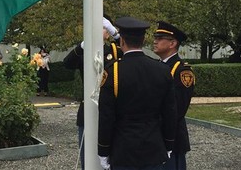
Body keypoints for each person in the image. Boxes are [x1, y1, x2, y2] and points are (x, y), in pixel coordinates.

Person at [98, 17, 177, 170]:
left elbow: (106, 116)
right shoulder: (162, 70)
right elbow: (170, 113)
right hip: (154, 147)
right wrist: (168, 144)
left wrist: (103, 150)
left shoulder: (113, 71)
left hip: (123, 150)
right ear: (142, 41)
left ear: (122, 42)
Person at [63, 15, 122, 170]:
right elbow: (67, 63)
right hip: (88, 108)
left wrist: (116, 34)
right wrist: (82, 45)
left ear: (107, 32)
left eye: (102, 27)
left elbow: (131, 49)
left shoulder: (114, 50)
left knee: (110, 158)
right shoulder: (84, 50)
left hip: (110, 107)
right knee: (87, 157)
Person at [153, 21, 195, 170]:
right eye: (155, 37)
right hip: (155, 136)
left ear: (172, 43)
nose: (155, 41)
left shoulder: (182, 71)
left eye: (160, 38)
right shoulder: (158, 66)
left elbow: (178, 108)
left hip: (172, 137)